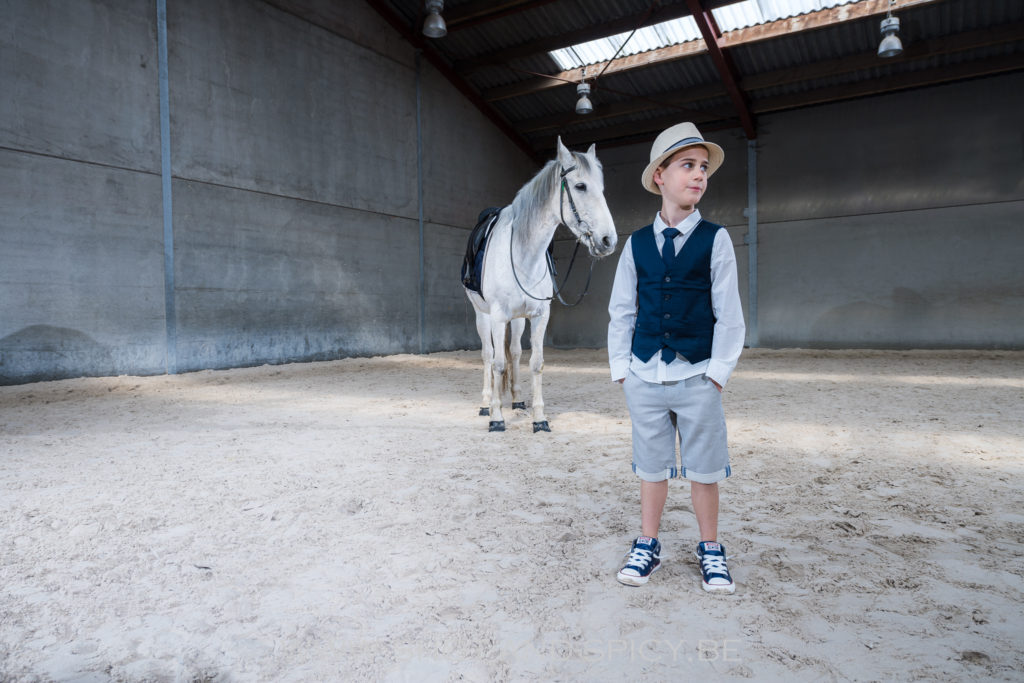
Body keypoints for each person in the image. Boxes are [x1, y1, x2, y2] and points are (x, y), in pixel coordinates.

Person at [607, 122, 745, 592]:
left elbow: (730, 316)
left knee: (704, 469)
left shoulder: (716, 239)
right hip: (644, 374)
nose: (699, 175)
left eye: (703, 167)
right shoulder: (637, 244)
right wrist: (622, 371)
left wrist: (718, 375)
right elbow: (622, 310)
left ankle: (710, 548)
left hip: (698, 375)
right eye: (687, 165)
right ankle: (648, 543)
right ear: (660, 176)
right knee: (652, 466)